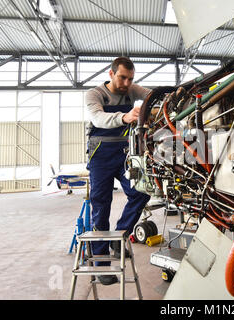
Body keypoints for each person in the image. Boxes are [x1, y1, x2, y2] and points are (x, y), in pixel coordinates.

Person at [85, 57, 151, 285]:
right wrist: (125, 116)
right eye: (122, 77)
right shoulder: (94, 94)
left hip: (124, 154)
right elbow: (98, 118)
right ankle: (101, 265)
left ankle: (120, 236)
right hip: (100, 156)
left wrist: (173, 94)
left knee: (142, 192)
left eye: (131, 79)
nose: (126, 83)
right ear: (111, 73)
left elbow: (152, 96)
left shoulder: (132, 90)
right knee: (101, 208)